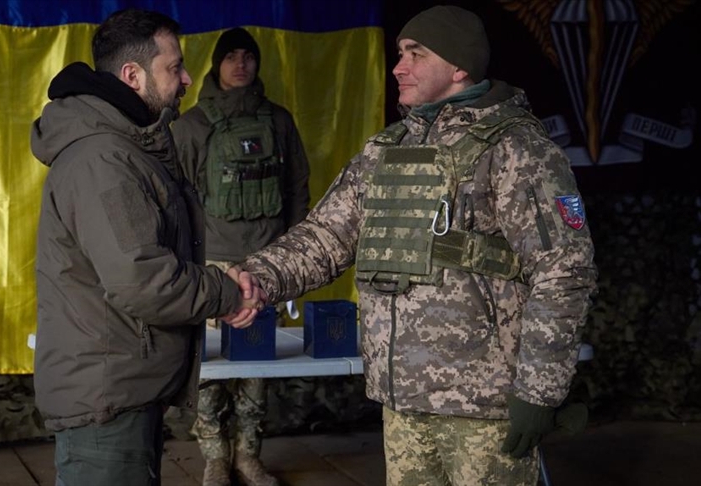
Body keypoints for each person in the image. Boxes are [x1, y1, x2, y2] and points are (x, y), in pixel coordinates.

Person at [234, 5, 597, 486]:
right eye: (400, 53)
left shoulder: (516, 150)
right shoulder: (386, 149)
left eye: (415, 54)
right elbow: (325, 238)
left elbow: (564, 272)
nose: (398, 67)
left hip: (483, 405)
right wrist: (255, 278)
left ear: (458, 65)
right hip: (403, 400)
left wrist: (538, 392)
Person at [30, 9, 263, 486]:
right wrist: (226, 292)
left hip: (121, 391)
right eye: (174, 67)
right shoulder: (104, 159)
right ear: (132, 75)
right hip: (107, 402)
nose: (187, 79)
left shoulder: (125, 145)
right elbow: (144, 281)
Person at [170, 27, 311, 486]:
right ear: (217, 65)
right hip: (213, 266)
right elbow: (176, 201)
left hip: (268, 263)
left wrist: (292, 254)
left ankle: (248, 456)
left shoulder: (279, 121)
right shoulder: (193, 126)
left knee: (257, 367)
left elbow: (297, 188)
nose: (241, 64)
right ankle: (215, 458)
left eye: (248, 56)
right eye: (230, 56)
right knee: (209, 367)